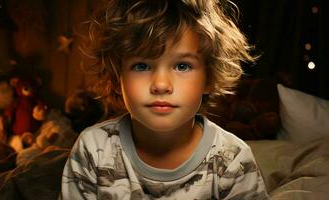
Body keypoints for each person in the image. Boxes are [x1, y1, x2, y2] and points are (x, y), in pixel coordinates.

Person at [60, 0, 269, 199]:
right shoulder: (93, 150)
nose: (160, 85)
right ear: (117, 78)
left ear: (209, 78)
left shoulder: (233, 160)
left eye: (182, 66)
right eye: (142, 66)